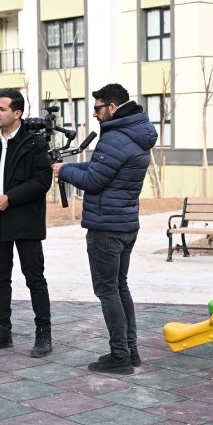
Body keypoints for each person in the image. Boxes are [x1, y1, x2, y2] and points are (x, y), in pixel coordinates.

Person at [52, 83, 156, 374]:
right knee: (120, 287)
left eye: (98, 108)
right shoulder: (136, 133)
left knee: (108, 290)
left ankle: (120, 356)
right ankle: (130, 351)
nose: (95, 114)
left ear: (112, 107)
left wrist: (64, 170)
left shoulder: (115, 137)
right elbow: (100, 170)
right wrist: (69, 167)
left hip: (106, 227)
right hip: (125, 224)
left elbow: (94, 181)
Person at [0, 88, 53, 357]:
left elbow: (42, 181)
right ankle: (2, 331)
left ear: (17, 113)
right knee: (0, 278)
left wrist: (10, 199)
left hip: (25, 221)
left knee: (35, 278)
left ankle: (43, 334)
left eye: (2, 109)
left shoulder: (34, 143)